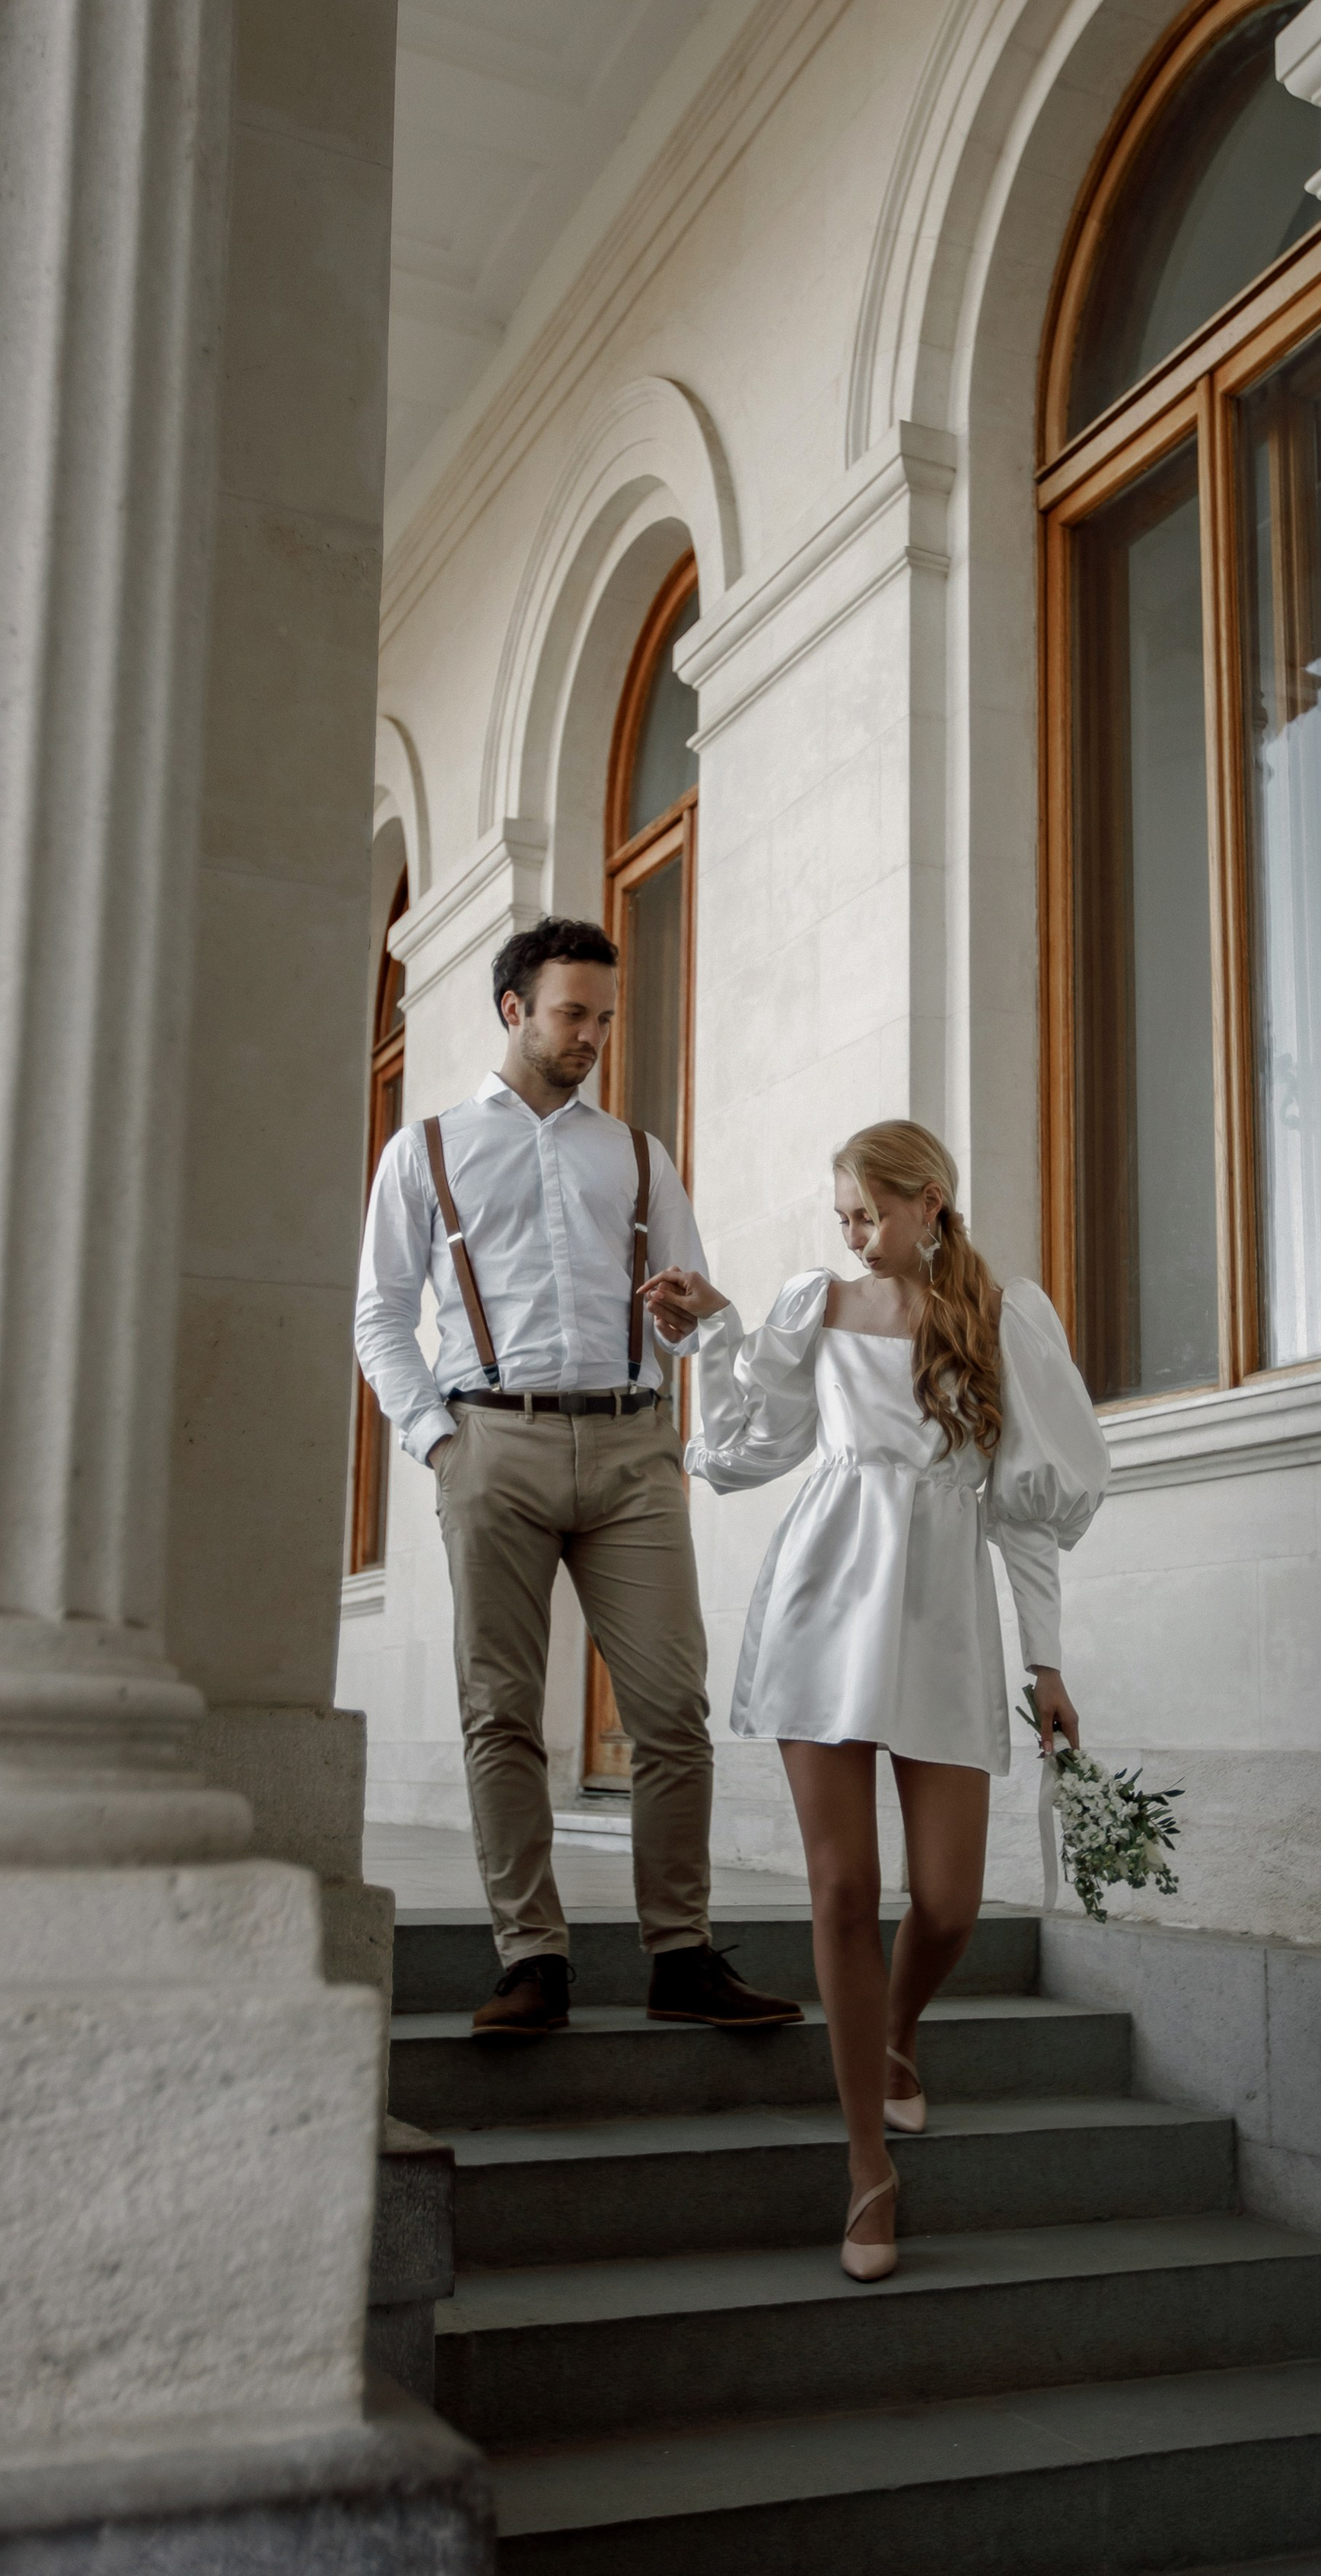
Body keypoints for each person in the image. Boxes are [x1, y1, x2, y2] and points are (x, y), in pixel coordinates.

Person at [643, 1119, 1108, 2279]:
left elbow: (1027, 1516)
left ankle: (898, 2036)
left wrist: (1045, 1662)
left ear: (930, 1202)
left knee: (947, 1904)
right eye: (840, 1212)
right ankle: (867, 2173)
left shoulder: (1005, 1319)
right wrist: (716, 1336)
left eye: (869, 1212)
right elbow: (755, 1449)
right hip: (824, 1605)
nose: (850, 1232)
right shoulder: (816, 1307)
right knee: (844, 1887)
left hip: (945, 1616)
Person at [353, 915, 801, 2039]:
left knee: (672, 1712)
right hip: (489, 1442)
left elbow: (695, 1314)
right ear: (514, 1009)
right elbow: (379, 1315)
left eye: (605, 1016)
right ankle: (532, 1959)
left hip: (634, 1447)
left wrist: (697, 1320)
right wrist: (436, 1437)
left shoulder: (638, 1154)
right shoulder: (429, 1149)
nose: (594, 1034)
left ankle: (681, 1954)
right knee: (501, 1711)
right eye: (573, 1014)